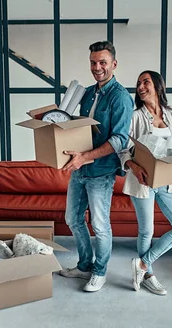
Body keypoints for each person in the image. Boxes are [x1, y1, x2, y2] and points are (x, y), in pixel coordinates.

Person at [58, 41, 134, 292]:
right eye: (93, 62)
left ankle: (100, 272)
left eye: (103, 62)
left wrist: (86, 156)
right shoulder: (88, 92)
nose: (97, 67)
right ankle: (84, 266)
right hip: (79, 168)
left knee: (100, 225)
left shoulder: (120, 97)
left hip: (101, 171)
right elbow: (79, 128)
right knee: (73, 218)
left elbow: (119, 139)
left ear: (114, 64)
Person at [118, 70, 172, 296]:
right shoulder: (134, 117)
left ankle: (142, 264)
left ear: (158, 86)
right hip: (142, 181)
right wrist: (134, 166)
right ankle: (148, 275)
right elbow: (122, 149)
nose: (140, 86)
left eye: (146, 82)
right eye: (138, 83)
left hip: (167, 182)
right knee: (146, 231)